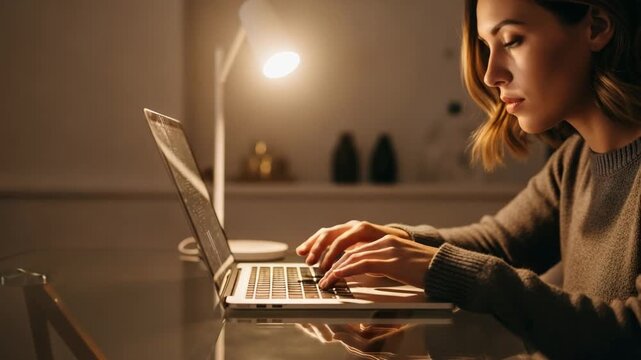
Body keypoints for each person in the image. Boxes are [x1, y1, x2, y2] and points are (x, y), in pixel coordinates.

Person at [296, 0, 641, 357]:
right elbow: (500, 242)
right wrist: (397, 240)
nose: (491, 74)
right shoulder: (575, 161)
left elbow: (630, 333)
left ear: (597, 27)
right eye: (486, 46)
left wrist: (435, 265)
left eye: (511, 40)